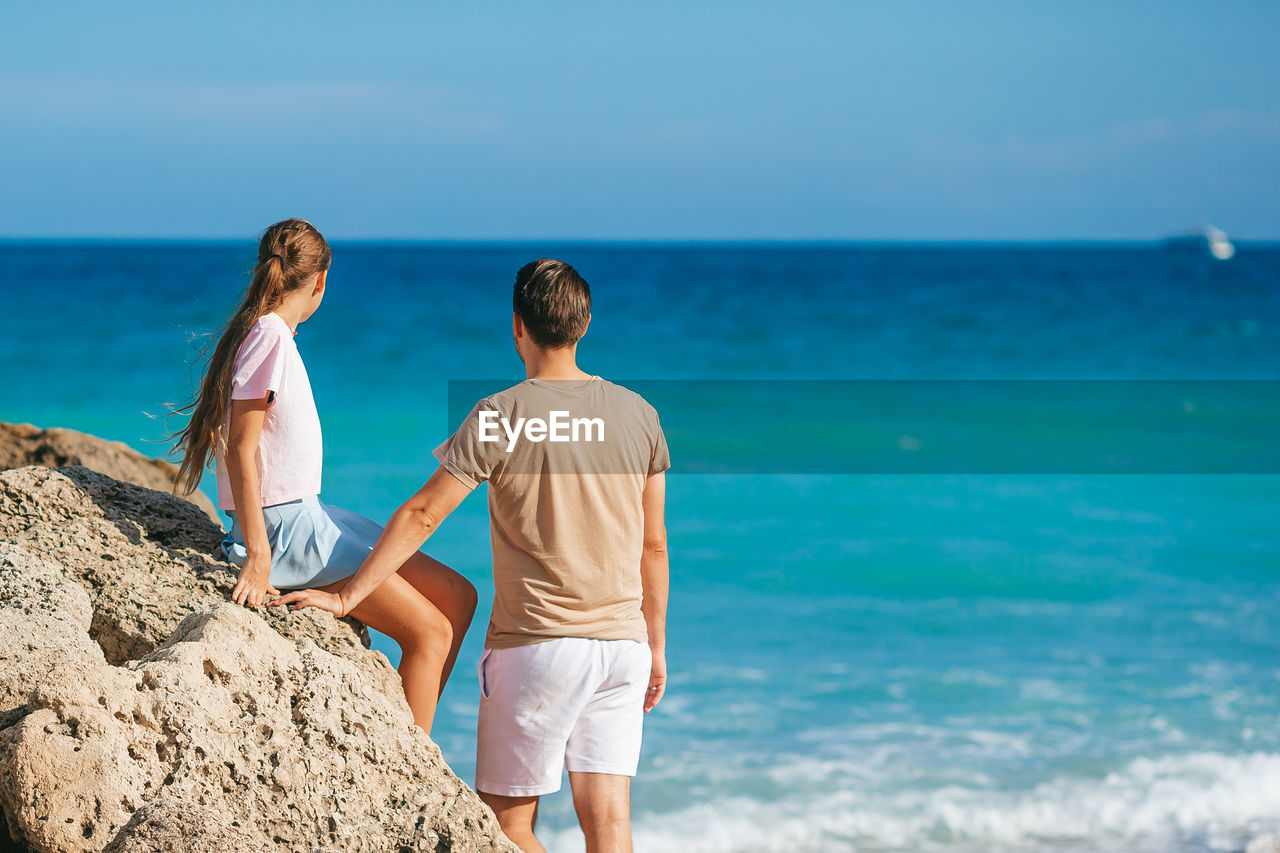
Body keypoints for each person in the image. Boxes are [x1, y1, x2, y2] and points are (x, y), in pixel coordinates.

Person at [275, 258, 670, 853]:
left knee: (508, 830)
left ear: (518, 327)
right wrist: (655, 646)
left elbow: (423, 514)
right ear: (582, 325)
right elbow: (654, 545)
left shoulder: (501, 415)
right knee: (610, 826)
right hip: (623, 649)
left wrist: (348, 594)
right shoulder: (640, 415)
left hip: (537, 647)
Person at [170, 218, 476, 734]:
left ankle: (413, 745)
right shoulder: (267, 336)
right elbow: (242, 451)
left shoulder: (272, 335)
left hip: (311, 515)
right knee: (430, 634)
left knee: (458, 595)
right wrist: (259, 558)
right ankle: (411, 771)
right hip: (285, 535)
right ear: (320, 282)